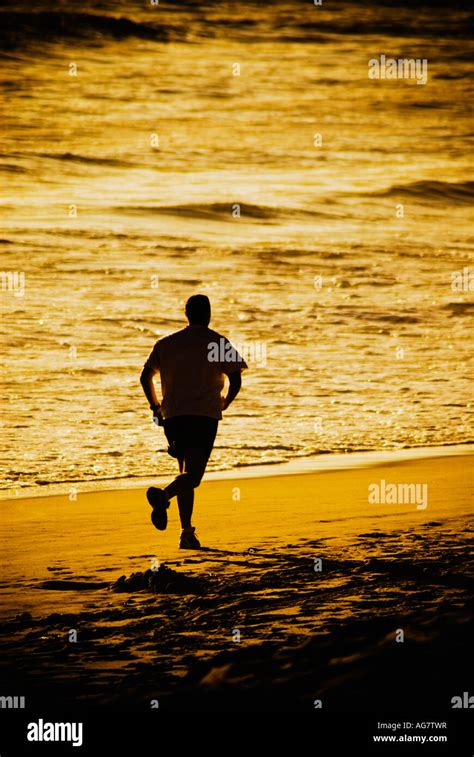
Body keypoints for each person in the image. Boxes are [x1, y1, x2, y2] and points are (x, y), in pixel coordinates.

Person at [140, 295, 247, 549]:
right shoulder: (217, 342)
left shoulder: (166, 344)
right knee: (194, 476)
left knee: (185, 472)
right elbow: (236, 379)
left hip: (173, 417)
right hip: (203, 415)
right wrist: (226, 402)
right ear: (208, 314)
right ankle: (163, 495)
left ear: (186, 314)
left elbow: (145, 377)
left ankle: (186, 532)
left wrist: (155, 408)